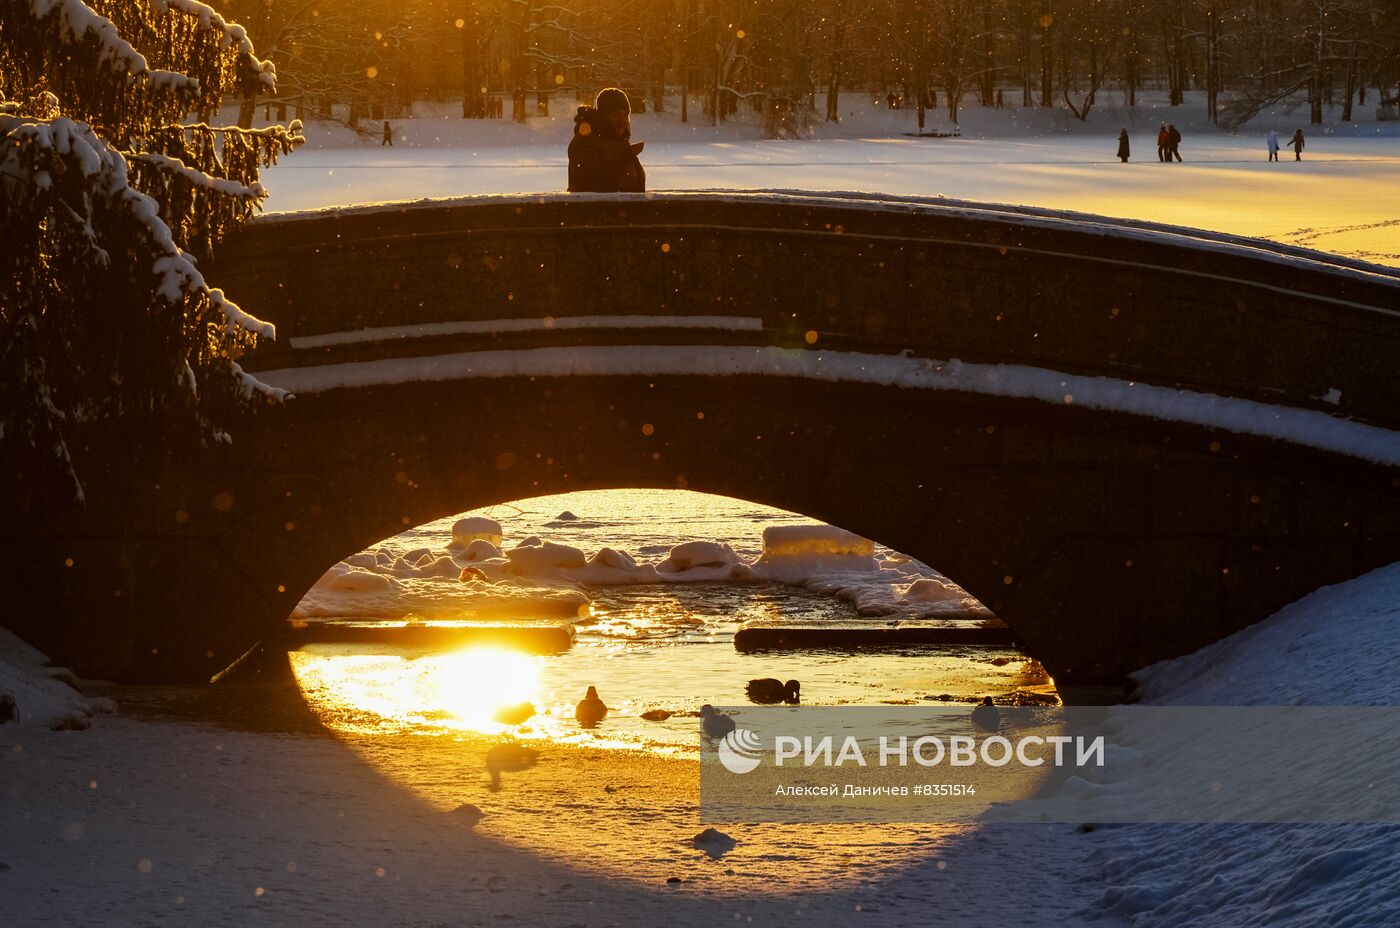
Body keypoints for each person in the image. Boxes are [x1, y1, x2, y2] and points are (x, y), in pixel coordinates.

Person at [567, 87, 646, 193]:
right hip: (599, 209)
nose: (622, 120)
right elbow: (590, 181)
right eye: (616, 114)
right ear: (603, 117)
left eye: (626, 115)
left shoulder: (618, 142)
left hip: (623, 208)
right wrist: (627, 156)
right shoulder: (585, 141)